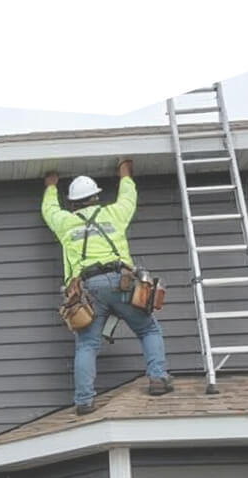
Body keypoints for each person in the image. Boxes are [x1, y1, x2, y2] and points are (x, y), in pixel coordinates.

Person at [43, 159, 173, 415]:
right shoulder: (114, 214)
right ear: (96, 198)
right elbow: (128, 196)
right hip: (121, 281)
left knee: (87, 345)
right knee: (147, 329)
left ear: (72, 203)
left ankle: (83, 400)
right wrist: (125, 173)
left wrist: (50, 186)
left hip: (88, 290)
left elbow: (49, 209)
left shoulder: (65, 223)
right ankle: (158, 378)